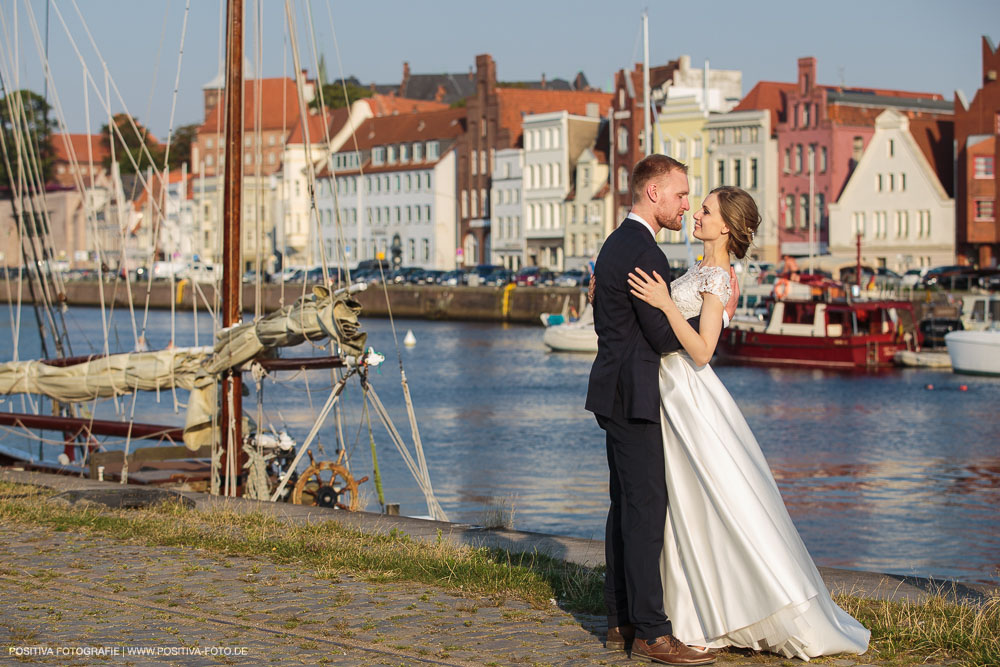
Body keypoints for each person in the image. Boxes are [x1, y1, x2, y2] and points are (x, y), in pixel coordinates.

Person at [626, 186, 870, 660]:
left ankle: (721, 609)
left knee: (708, 499)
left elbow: (702, 350)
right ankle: (691, 608)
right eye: (699, 207)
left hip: (688, 394)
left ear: (727, 228)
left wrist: (666, 302)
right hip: (669, 390)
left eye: (706, 210)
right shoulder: (701, 269)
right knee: (685, 504)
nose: (696, 214)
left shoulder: (717, 276)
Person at [585, 154, 738, 666]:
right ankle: (652, 632)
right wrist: (673, 307)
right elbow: (656, 333)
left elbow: (610, 312)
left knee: (625, 507)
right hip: (635, 396)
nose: (685, 206)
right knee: (646, 510)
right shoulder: (645, 251)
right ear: (653, 193)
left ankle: (620, 619)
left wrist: (669, 302)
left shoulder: (615, 243)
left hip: (615, 392)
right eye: (679, 195)